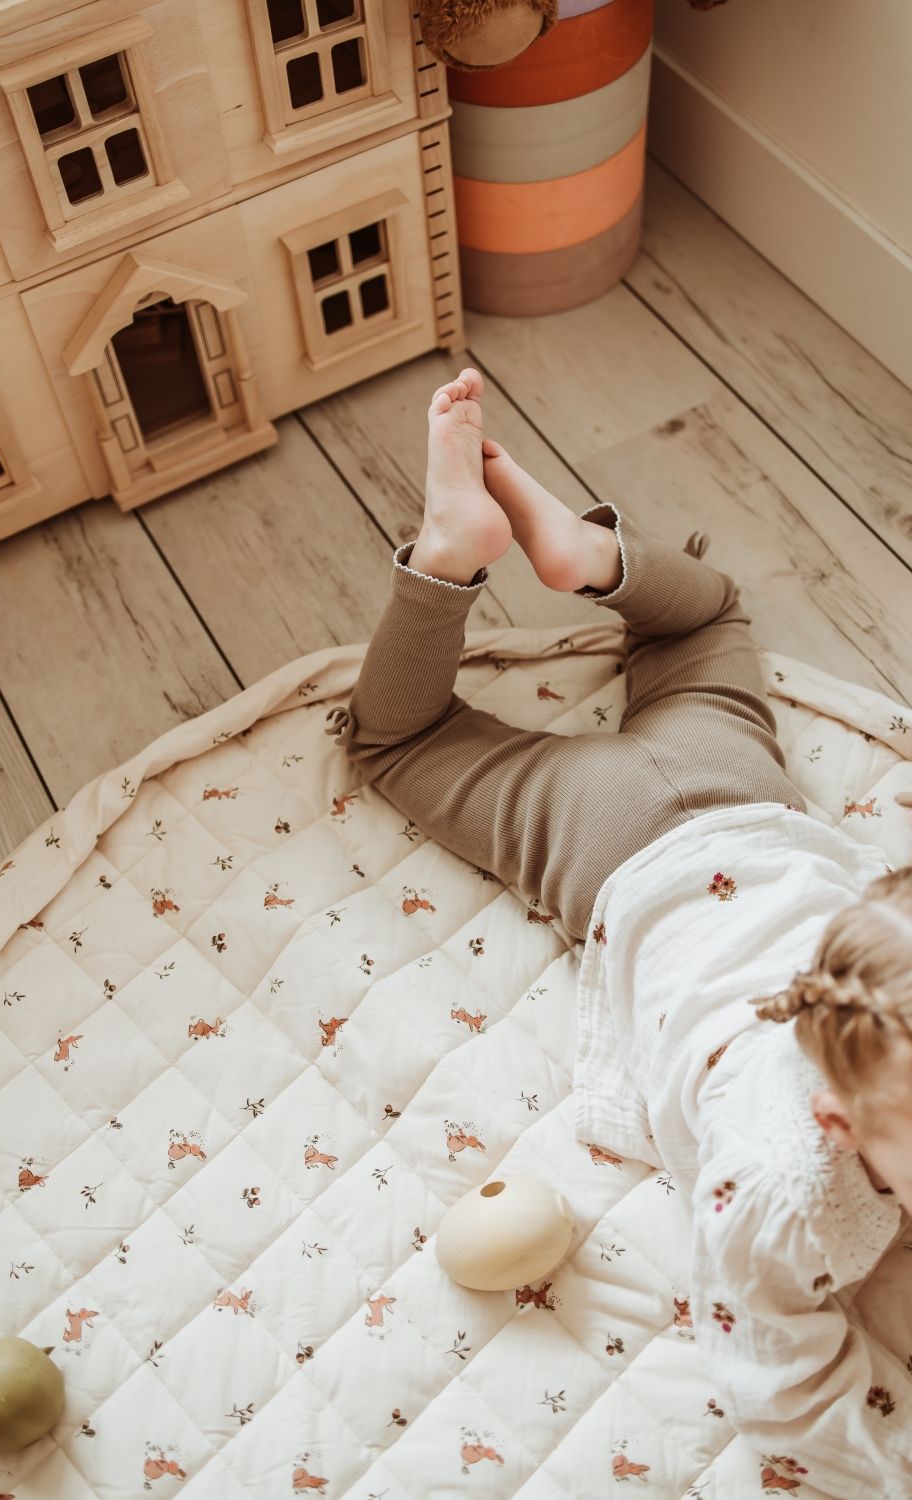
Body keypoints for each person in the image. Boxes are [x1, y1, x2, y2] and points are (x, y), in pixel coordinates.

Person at [329, 368, 912, 1496]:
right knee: (396, 743)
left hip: (736, 794)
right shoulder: (778, 1195)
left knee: (710, 613)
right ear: (832, 1125)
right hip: (611, 850)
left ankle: (553, 556)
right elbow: (782, 1393)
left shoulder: (877, 1065)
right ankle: (521, 553)